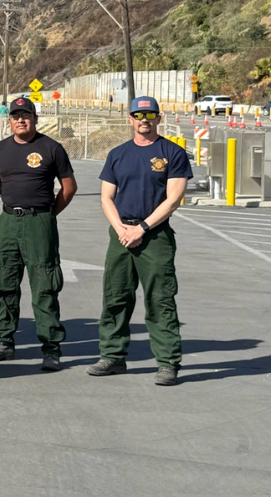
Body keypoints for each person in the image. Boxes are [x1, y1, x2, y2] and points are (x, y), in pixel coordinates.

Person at [90, 97, 191, 386]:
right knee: (115, 297)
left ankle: (167, 363)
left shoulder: (172, 152)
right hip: (121, 233)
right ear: (130, 119)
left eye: (149, 114)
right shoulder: (118, 154)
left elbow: (173, 200)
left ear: (159, 118)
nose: (143, 119)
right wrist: (121, 228)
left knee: (160, 300)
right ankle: (112, 356)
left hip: (155, 236)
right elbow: (106, 197)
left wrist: (142, 228)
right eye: (138, 114)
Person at [0, 97, 77, 371]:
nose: (21, 120)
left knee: (44, 286)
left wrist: (46, 215)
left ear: (35, 118)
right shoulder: (1, 149)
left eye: (26, 115)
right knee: (3, 282)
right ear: (9, 119)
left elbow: (68, 188)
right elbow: (0, 183)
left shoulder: (51, 148)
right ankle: (3, 342)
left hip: (39, 221)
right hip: (8, 220)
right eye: (15, 115)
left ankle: (51, 349)